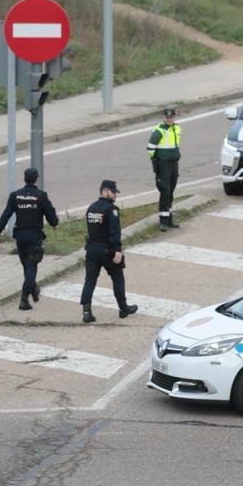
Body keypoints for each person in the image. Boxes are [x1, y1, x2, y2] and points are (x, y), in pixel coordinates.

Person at [0, 166, 60, 310]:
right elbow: (49, 211)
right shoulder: (40, 195)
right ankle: (24, 299)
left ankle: (33, 289)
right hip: (34, 237)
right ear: (36, 179)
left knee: (27, 266)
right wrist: (54, 223)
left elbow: (6, 214)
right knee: (31, 268)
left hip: (20, 238)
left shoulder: (15, 195)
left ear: (24, 179)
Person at [80, 179, 140, 324]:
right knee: (118, 277)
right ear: (105, 191)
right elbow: (115, 232)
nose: (115, 195)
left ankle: (86, 312)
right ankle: (123, 308)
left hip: (92, 250)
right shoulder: (111, 210)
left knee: (90, 280)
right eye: (113, 192)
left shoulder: (91, 208)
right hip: (107, 251)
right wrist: (118, 251)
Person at [147, 107, 182, 230]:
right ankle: (163, 221)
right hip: (163, 165)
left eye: (171, 117)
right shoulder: (159, 131)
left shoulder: (177, 128)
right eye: (167, 118)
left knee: (171, 192)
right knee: (165, 191)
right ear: (164, 118)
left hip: (174, 164)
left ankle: (170, 219)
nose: (169, 119)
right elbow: (150, 148)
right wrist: (156, 160)